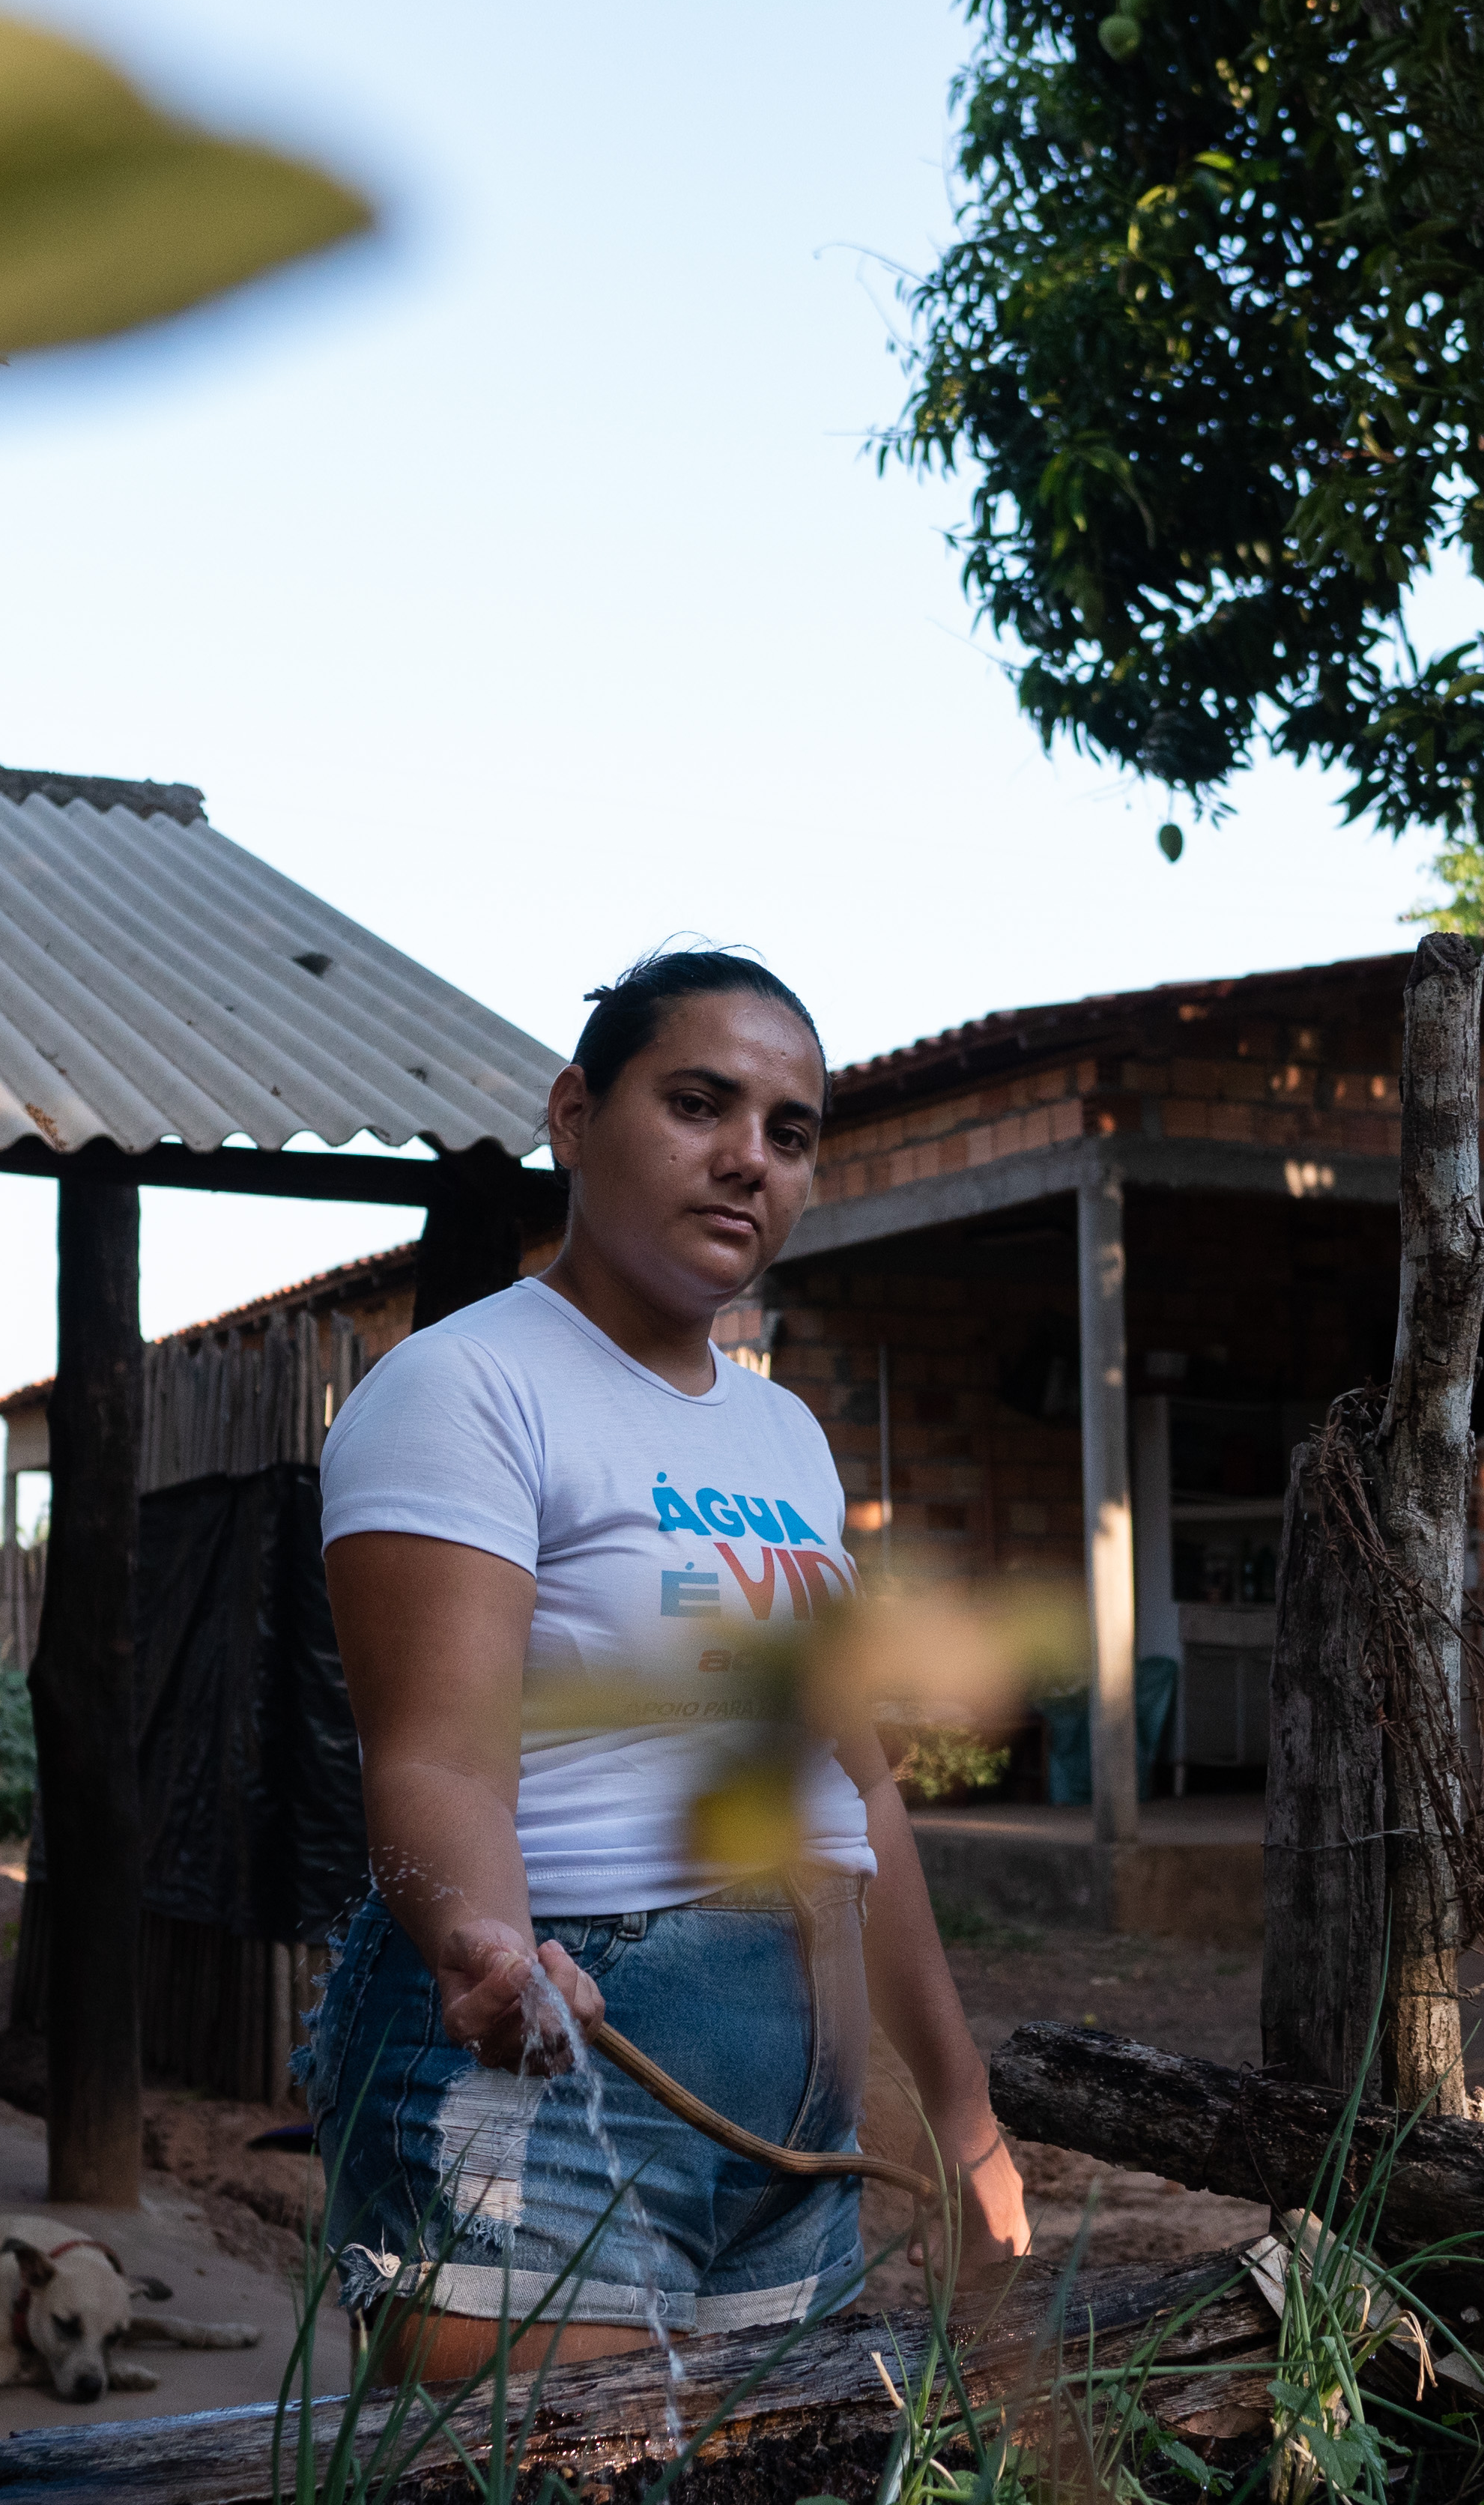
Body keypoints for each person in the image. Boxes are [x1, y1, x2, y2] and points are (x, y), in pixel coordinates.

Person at [304, 948, 1031, 2381]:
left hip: (792, 2107)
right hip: (567, 2066)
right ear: (576, 1116)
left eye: (790, 1130)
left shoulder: (786, 1442)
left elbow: (857, 1797)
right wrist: (485, 1952)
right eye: (699, 1103)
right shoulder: (465, 1387)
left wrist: (964, 2122)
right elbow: (435, 1759)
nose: (746, 1159)